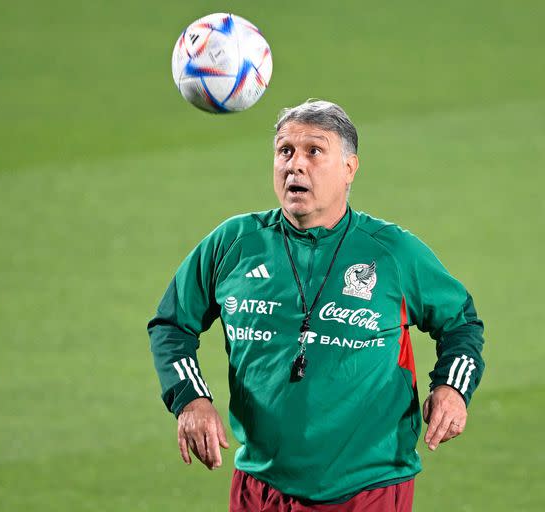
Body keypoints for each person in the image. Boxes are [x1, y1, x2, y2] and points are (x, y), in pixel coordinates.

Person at [147, 99, 485, 511]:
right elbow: (171, 325)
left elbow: (461, 322)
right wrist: (191, 399)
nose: (295, 165)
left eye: (314, 151)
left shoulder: (392, 252)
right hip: (261, 485)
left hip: (367, 487)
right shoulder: (234, 244)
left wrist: (452, 387)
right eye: (285, 151)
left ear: (349, 168)